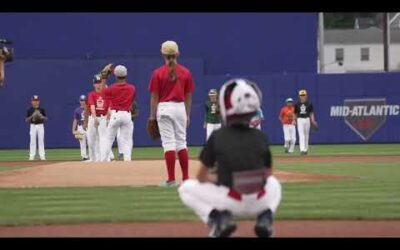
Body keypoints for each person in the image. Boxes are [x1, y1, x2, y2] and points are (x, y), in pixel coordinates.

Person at [178, 78, 282, 238]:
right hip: (259, 201)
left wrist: (218, 178)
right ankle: (265, 218)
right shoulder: (261, 137)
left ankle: (219, 220)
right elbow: (267, 175)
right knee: (275, 183)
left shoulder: (218, 136)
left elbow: (200, 177)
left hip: (230, 201)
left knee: (185, 188)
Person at [148, 40, 195, 187]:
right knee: (181, 142)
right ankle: (186, 179)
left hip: (164, 108)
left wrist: (152, 116)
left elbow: (154, 97)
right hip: (180, 108)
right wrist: (187, 114)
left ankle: (171, 179)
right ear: (177, 54)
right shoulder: (185, 72)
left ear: (162, 54)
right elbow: (188, 96)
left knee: (168, 144)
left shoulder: (157, 73)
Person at [101, 65, 136, 162]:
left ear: (115, 76)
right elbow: (132, 102)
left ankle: (103, 160)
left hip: (115, 114)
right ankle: (127, 160)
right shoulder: (132, 88)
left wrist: (104, 77)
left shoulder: (112, 88)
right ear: (126, 75)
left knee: (109, 139)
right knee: (127, 139)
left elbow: (102, 92)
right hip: (127, 115)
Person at [86, 74, 110, 162]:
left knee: (103, 138)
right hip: (93, 118)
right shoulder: (91, 94)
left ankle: (104, 158)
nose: (98, 84)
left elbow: (109, 106)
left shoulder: (106, 94)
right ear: (93, 84)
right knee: (91, 139)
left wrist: (107, 116)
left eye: (99, 82)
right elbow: (92, 106)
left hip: (103, 118)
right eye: (96, 83)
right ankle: (92, 158)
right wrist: (95, 118)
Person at [294, 89, 317, 155]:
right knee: (301, 134)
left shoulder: (309, 103)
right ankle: (302, 149)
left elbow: (311, 113)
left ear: (306, 96)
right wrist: (294, 120)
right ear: (299, 96)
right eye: (301, 95)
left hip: (307, 119)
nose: (302, 96)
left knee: (306, 134)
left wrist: (313, 120)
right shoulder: (297, 104)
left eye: (304, 95)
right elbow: (295, 113)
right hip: (300, 119)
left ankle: (306, 149)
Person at [25, 95, 48, 160]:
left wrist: (41, 116)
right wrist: (32, 116)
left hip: (40, 125)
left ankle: (42, 156)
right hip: (32, 126)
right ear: (31, 102)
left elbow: (46, 118)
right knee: (32, 141)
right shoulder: (29, 110)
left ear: (39, 102)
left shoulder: (42, 109)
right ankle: (31, 156)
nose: (35, 102)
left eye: (36, 101)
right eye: (34, 101)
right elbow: (26, 120)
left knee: (41, 141)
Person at [72, 95, 89, 161]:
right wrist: (73, 129)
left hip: (88, 126)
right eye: (81, 100)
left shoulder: (89, 108)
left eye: (84, 100)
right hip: (80, 127)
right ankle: (84, 156)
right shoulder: (77, 110)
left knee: (91, 142)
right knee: (82, 142)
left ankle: (92, 156)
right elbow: (75, 120)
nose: (83, 102)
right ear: (79, 101)